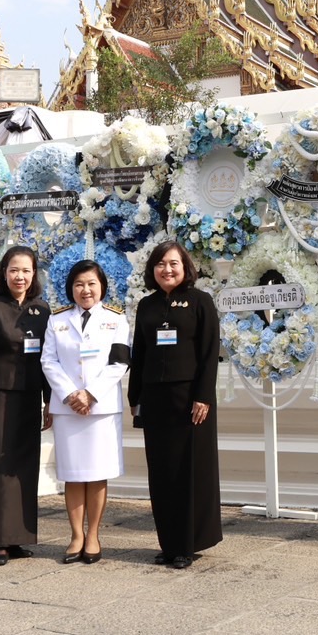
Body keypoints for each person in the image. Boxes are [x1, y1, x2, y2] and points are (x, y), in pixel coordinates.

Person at [127, 240, 222, 569]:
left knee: (188, 471)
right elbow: (139, 353)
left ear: (185, 268)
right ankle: (168, 544)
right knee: (162, 472)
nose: (167, 270)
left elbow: (211, 353)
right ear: (153, 270)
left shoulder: (200, 302)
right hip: (155, 399)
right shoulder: (146, 306)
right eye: (161, 264)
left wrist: (204, 396)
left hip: (191, 401)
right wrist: (134, 397)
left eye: (173, 264)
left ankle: (188, 544)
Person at [41, 259, 130, 564]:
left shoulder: (117, 319)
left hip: (101, 408)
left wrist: (90, 394)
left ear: (102, 286)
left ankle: (93, 536)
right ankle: (76, 535)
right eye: (79, 284)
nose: (85, 290)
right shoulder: (57, 321)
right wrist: (70, 395)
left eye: (91, 283)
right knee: (74, 474)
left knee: (97, 473)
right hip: (68, 410)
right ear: (71, 288)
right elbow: (48, 362)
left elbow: (119, 363)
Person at [0, 245, 52, 566]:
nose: (20, 276)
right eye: (14, 270)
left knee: (23, 468)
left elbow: (48, 359)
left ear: (34, 275)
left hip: (30, 398)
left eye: (26, 271)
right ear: (4, 273)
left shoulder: (42, 310)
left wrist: (49, 400)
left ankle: (18, 537)